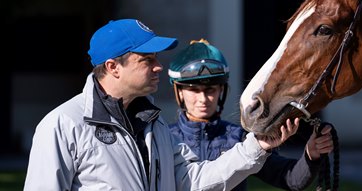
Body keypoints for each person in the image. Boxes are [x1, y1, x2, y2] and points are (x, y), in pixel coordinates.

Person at [23, 19, 300, 191]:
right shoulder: (63, 125)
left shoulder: (153, 124)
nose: (159, 67)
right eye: (147, 60)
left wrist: (259, 145)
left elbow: (194, 181)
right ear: (113, 67)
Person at [168, 39, 334, 191]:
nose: (203, 99)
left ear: (221, 90)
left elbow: (292, 180)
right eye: (193, 90)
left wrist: (311, 155)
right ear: (179, 92)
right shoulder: (165, 139)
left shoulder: (241, 138)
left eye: (210, 90)